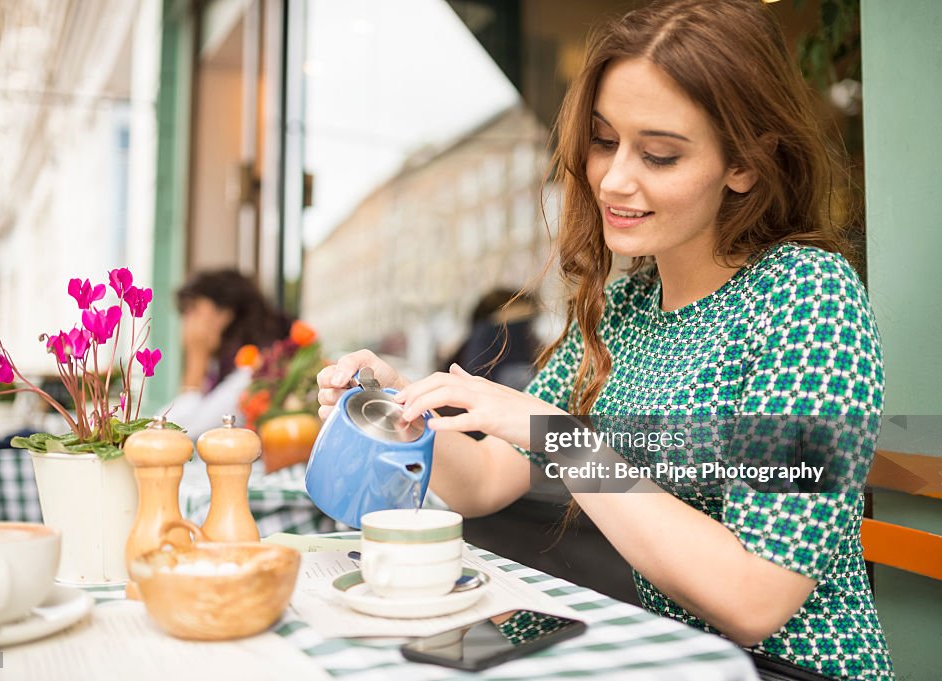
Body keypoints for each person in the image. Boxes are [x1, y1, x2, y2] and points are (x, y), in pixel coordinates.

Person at [317, 1, 891, 679]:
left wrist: (564, 436)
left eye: (660, 154)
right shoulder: (627, 306)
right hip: (676, 658)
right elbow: (485, 479)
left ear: (744, 163)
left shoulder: (807, 296)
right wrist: (401, 405)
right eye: (603, 139)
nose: (615, 178)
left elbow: (755, 595)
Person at [163, 269, 292, 439]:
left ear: (225, 314)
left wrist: (196, 360)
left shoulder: (254, 369)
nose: (186, 324)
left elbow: (186, 431)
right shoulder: (218, 367)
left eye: (193, 310)